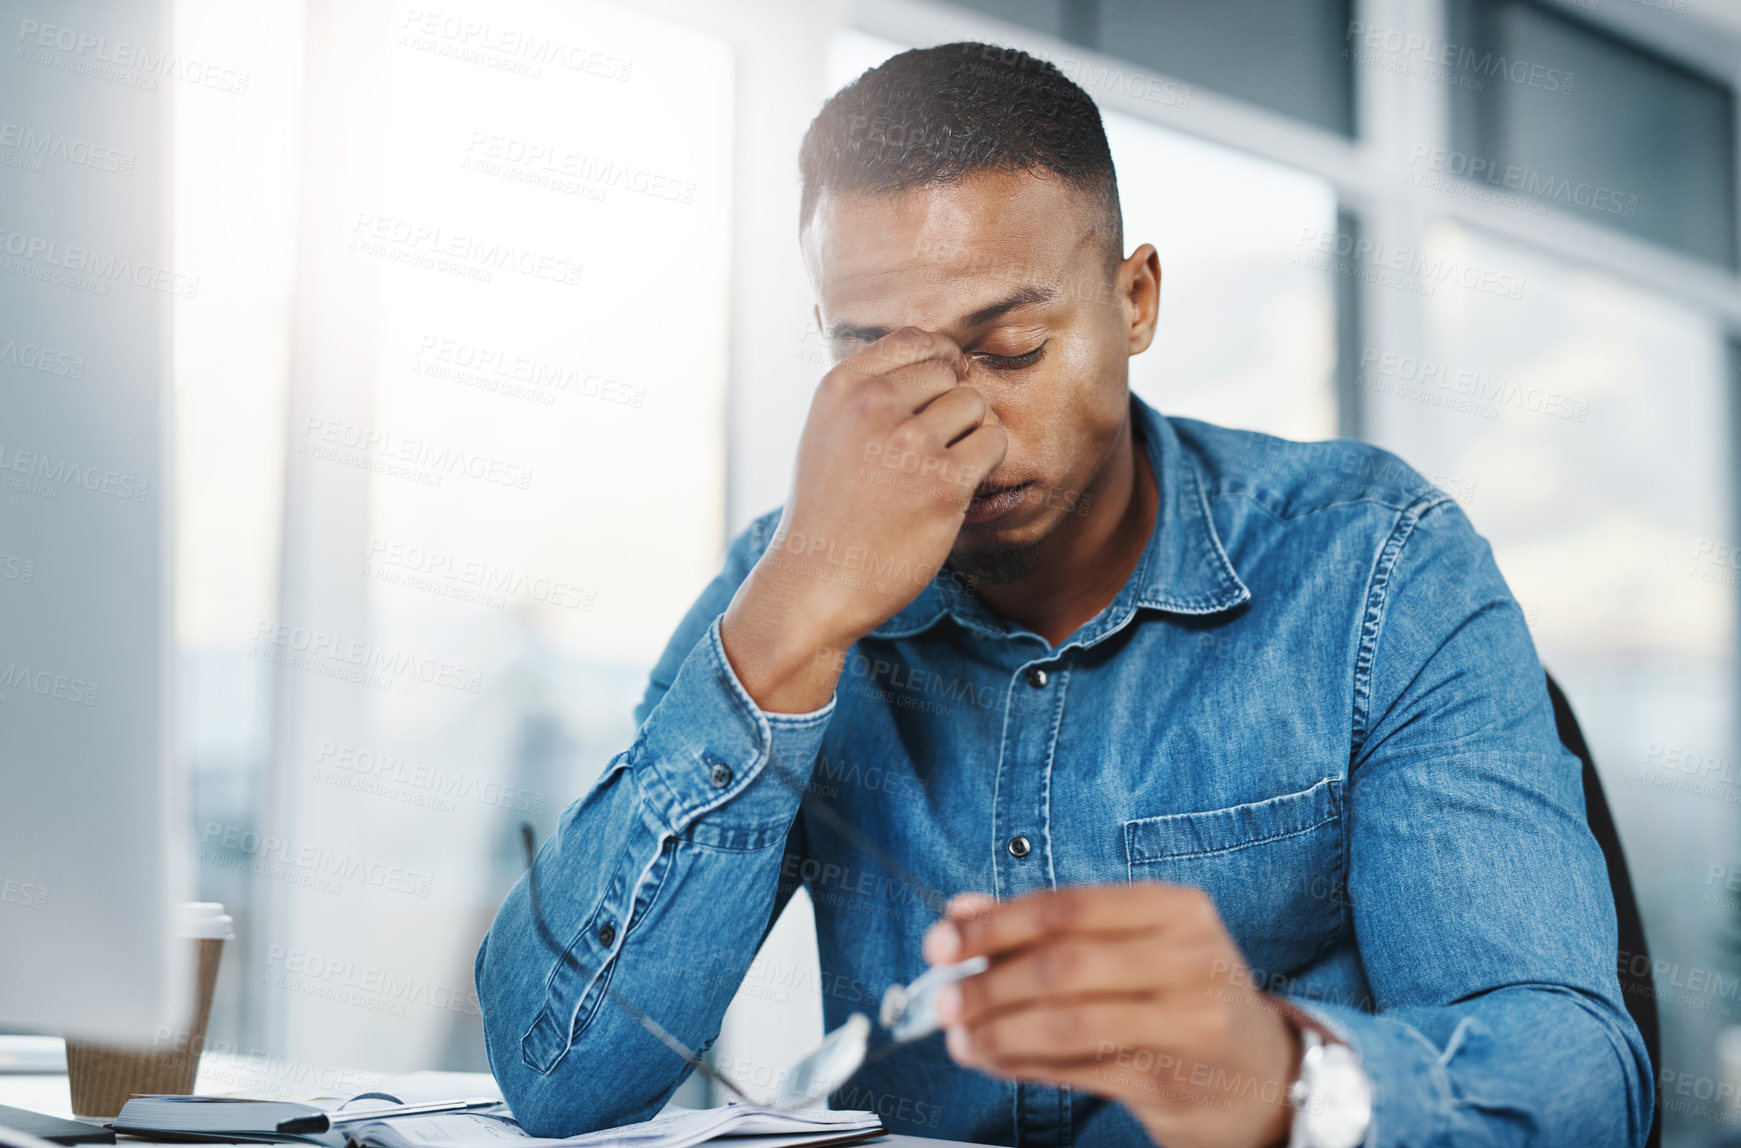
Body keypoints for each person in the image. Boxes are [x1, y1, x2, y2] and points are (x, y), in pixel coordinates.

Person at [476, 42, 1651, 1148]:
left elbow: (1582, 1076)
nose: (954, 427)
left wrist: (1278, 1075)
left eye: (1010, 349)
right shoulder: (789, 575)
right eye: (877, 356)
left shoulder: (1377, 568)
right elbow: (561, 1073)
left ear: (1133, 301)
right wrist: (794, 620)